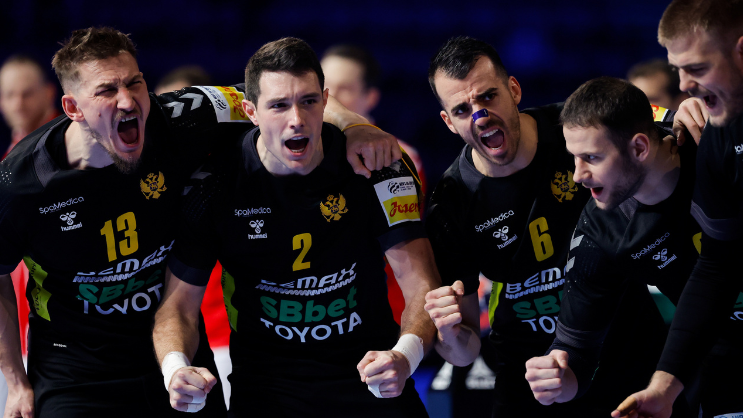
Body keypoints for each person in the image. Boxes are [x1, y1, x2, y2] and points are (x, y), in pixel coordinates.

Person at [0, 27, 401, 418]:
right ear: (72, 107)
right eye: (106, 90)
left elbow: (282, 94)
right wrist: (15, 382)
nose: (127, 100)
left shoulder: (183, 116)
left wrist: (355, 126)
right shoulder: (18, 183)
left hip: (180, 352)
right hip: (76, 371)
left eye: (135, 83)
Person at [152, 37, 438, 418]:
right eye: (278, 105)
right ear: (250, 111)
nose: (297, 120)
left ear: (326, 101)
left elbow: (422, 285)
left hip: (371, 379)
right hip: (266, 390)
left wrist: (404, 356)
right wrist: (175, 369)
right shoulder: (213, 185)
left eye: (308, 101)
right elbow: (177, 307)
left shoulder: (378, 165)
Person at [423, 36, 667, 417]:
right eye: (461, 109)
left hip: (628, 347)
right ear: (448, 122)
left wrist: (682, 115)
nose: (480, 115)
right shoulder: (450, 203)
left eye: (488, 96)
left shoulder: (576, 126)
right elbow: (464, 352)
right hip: (530, 374)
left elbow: (651, 117)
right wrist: (450, 332)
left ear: (514, 90)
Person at [525, 77, 743, 417]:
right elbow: (575, 350)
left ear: (640, 148)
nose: (578, 175)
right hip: (726, 357)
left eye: (591, 157)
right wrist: (557, 378)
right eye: (574, 158)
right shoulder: (601, 229)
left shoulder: (716, 144)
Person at [614, 1, 743, 417]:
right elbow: (719, 265)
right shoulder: (719, 135)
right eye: (678, 70)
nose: (685, 85)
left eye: (697, 68)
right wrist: (664, 386)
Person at [321, 44, 428, 325]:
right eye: (324, 87)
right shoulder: (298, 155)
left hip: (382, 316)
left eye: (344, 88)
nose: (330, 98)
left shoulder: (400, 158)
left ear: (370, 97)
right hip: (315, 319)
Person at [0, 55, 59, 159]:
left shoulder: (64, 142)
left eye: (27, 94)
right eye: (9, 95)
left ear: (49, 93)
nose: (18, 105)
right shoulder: (15, 147)